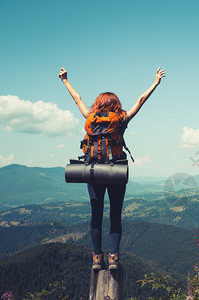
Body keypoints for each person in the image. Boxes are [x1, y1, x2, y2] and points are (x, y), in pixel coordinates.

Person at [59, 67, 165, 270]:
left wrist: (65, 81)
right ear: (115, 104)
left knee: (96, 215)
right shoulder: (121, 119)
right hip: (115, 171)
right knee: (115, 214)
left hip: (92, 171)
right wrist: (155, 83)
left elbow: (77, 98)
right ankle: (114, 258)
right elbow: (141, 100)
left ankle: (97, 258)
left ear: (98, 104)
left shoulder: (89, 117)